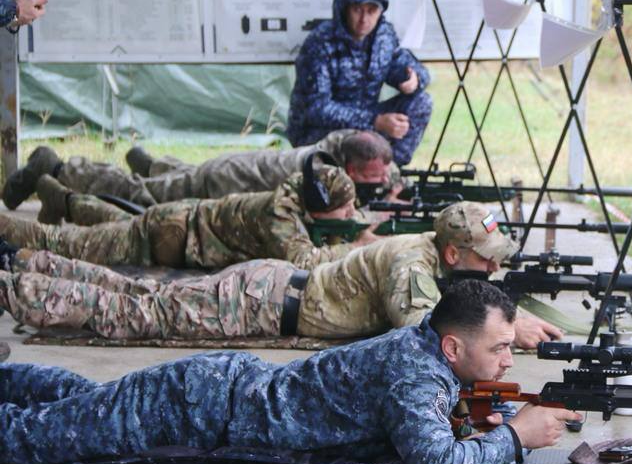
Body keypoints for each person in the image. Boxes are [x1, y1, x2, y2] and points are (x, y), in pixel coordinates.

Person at [0, 280, 583, 464]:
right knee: (34, 439)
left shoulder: (426, 348)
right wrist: (515, 437)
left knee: (78, 403)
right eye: (500, 348)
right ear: (453, 348)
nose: (509, 359)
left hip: (214, 395)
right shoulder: (414, 374)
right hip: (196, 410)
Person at [0, 201, 563, 348]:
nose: (496, 266)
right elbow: (420, 336)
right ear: (451, 255)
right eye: (487, 257)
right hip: (259, 303)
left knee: (144, 295)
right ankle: (15, 286)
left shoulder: (427, 247)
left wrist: (511, 314)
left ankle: (30, 263)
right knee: (134, 313)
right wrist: (505, 331)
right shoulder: (413, 264)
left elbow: (459, 298)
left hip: (268, 289)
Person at [0, 153, 370, 270]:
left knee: (114, 222)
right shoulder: (281, 215)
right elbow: (303, 261)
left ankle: (59, 196)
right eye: (348, 207)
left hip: (176, 224)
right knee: (69, 244)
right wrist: (359, 246)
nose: (355, 213)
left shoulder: (299, 201)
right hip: (167, 235)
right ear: (320, 204)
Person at [2, 130, 401, 211]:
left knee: (164, 180)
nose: (380, 183)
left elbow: (378, 164)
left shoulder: (342, 143)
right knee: (144, 195)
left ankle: (155, 163)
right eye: (372, 177)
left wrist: (388, 183)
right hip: (221, 180)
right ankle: (58, 166)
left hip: (233, 168)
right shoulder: (324, 172)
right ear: (349, 167)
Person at [287, 0, 432, 166]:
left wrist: (413, 79)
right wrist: (375, 121)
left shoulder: (384, 36)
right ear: (343, 8)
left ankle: (388, 170)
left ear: (380, 11)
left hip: (367, 122)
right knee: (354, 139)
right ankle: (361, 171)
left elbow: (409, 66)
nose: (364, 19)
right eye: (357, 10)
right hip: (318, 132)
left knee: (421, 102)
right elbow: (317, 109)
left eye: (371, 10)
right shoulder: (320, 43)